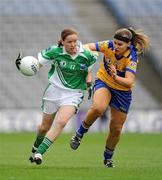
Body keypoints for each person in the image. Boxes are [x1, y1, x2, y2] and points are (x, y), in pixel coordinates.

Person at [15, 28, 98, 165]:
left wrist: (89, 80)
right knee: (44, 127)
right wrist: (24, 66)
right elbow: (37, 64)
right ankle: (36, 145)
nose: (73, 45)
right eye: (69, 42)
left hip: (74, 93)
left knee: (61, 123)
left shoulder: (87, 55)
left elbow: (89, 71)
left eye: (75, 41)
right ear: (63, 42)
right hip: (53, 91)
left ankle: (39, 152)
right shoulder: (55, 51)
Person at [70, 27, 150, 167]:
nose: (116, 46)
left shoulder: (131, 57)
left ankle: (108, 157)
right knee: (98, 108)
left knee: (116, 128)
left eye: (120, 44)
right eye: (115, 42)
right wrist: (84, 57)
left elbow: (129, 81)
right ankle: (79, 134)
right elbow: (87, 47)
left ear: (128, 45)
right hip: (104, 82)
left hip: (122, 91)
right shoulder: (108, 45)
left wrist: (115, 76)